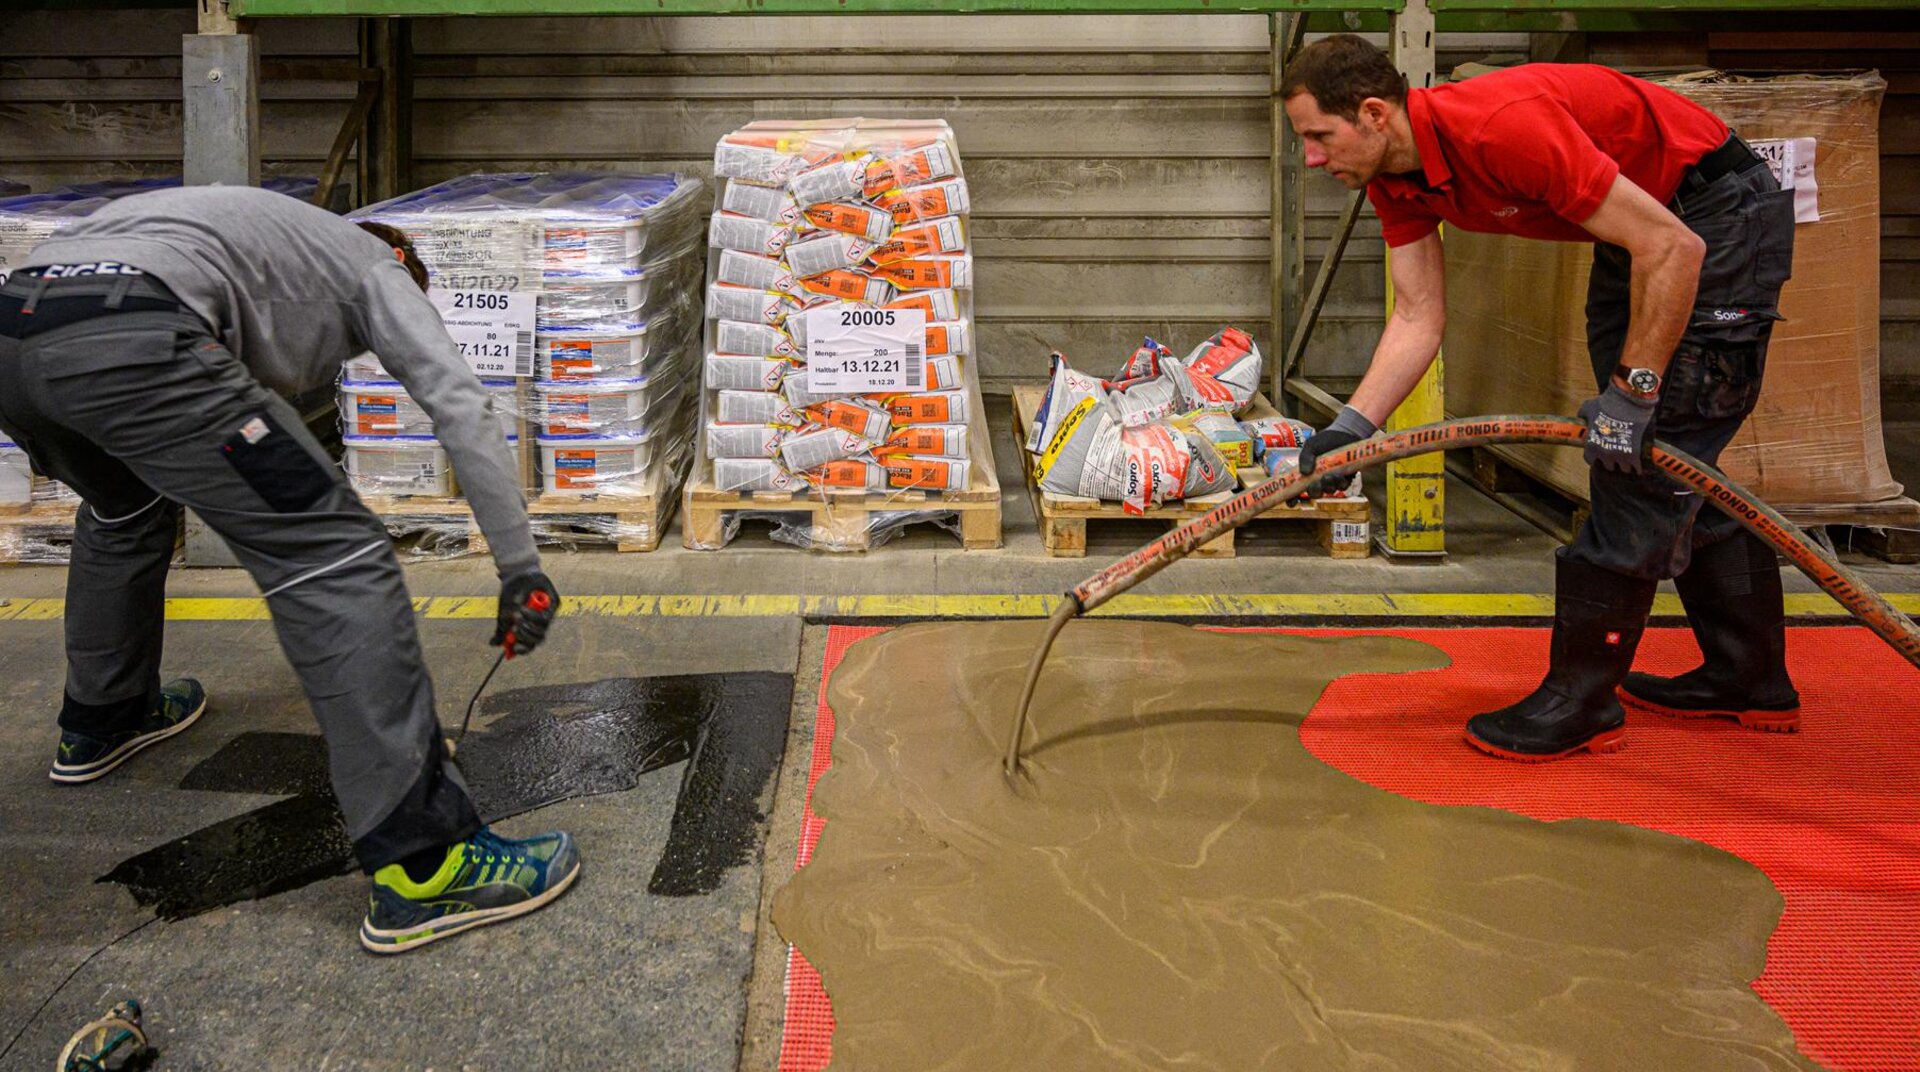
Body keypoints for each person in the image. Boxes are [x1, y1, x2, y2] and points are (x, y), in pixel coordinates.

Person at [0, 185, 577, 952]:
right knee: (341, 557)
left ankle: (105, 718)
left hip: (17, 330)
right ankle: (427, 863)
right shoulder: (376, 265)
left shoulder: (259, 242)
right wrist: (519, 566)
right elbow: (460, 403)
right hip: (135, 334)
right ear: (403, 262)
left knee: (124, 504)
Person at [1285, 37, 1800, 761]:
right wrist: (1351, 430)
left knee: (1637, 457)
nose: (1311, 157)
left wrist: (1634, 392)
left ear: (1372, 113)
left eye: (1317, 135)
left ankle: (1581, 701)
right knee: (1670, 454)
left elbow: (1676, 250)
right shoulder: (1395, 177)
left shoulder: (1500, 127)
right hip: (1642, 233)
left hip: (1708, 219)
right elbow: (1417, 315)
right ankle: (1747, 675)